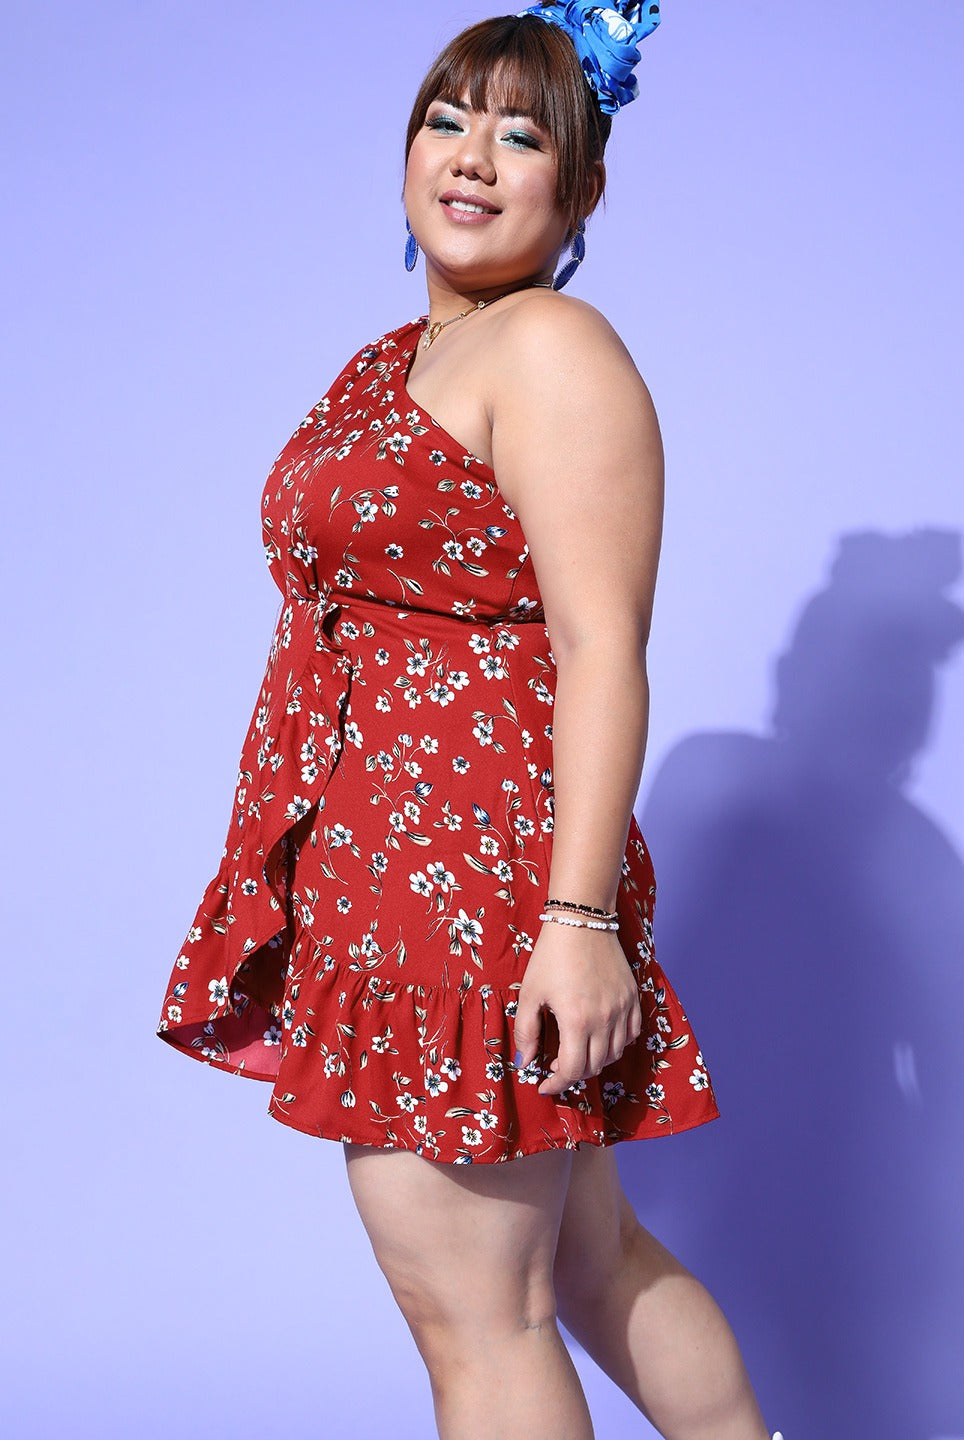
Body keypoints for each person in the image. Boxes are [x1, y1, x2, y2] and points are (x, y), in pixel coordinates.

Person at [156, 5, 783, 1437]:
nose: (473, 158)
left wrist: (579, 919)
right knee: (591, 1258)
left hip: (468, 884)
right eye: (446, 121)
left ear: (582, 187)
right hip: (390, 865)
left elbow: (601, 646)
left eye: (521, 136)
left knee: (477, 1315)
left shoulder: (550, 346)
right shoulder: (397, 359)